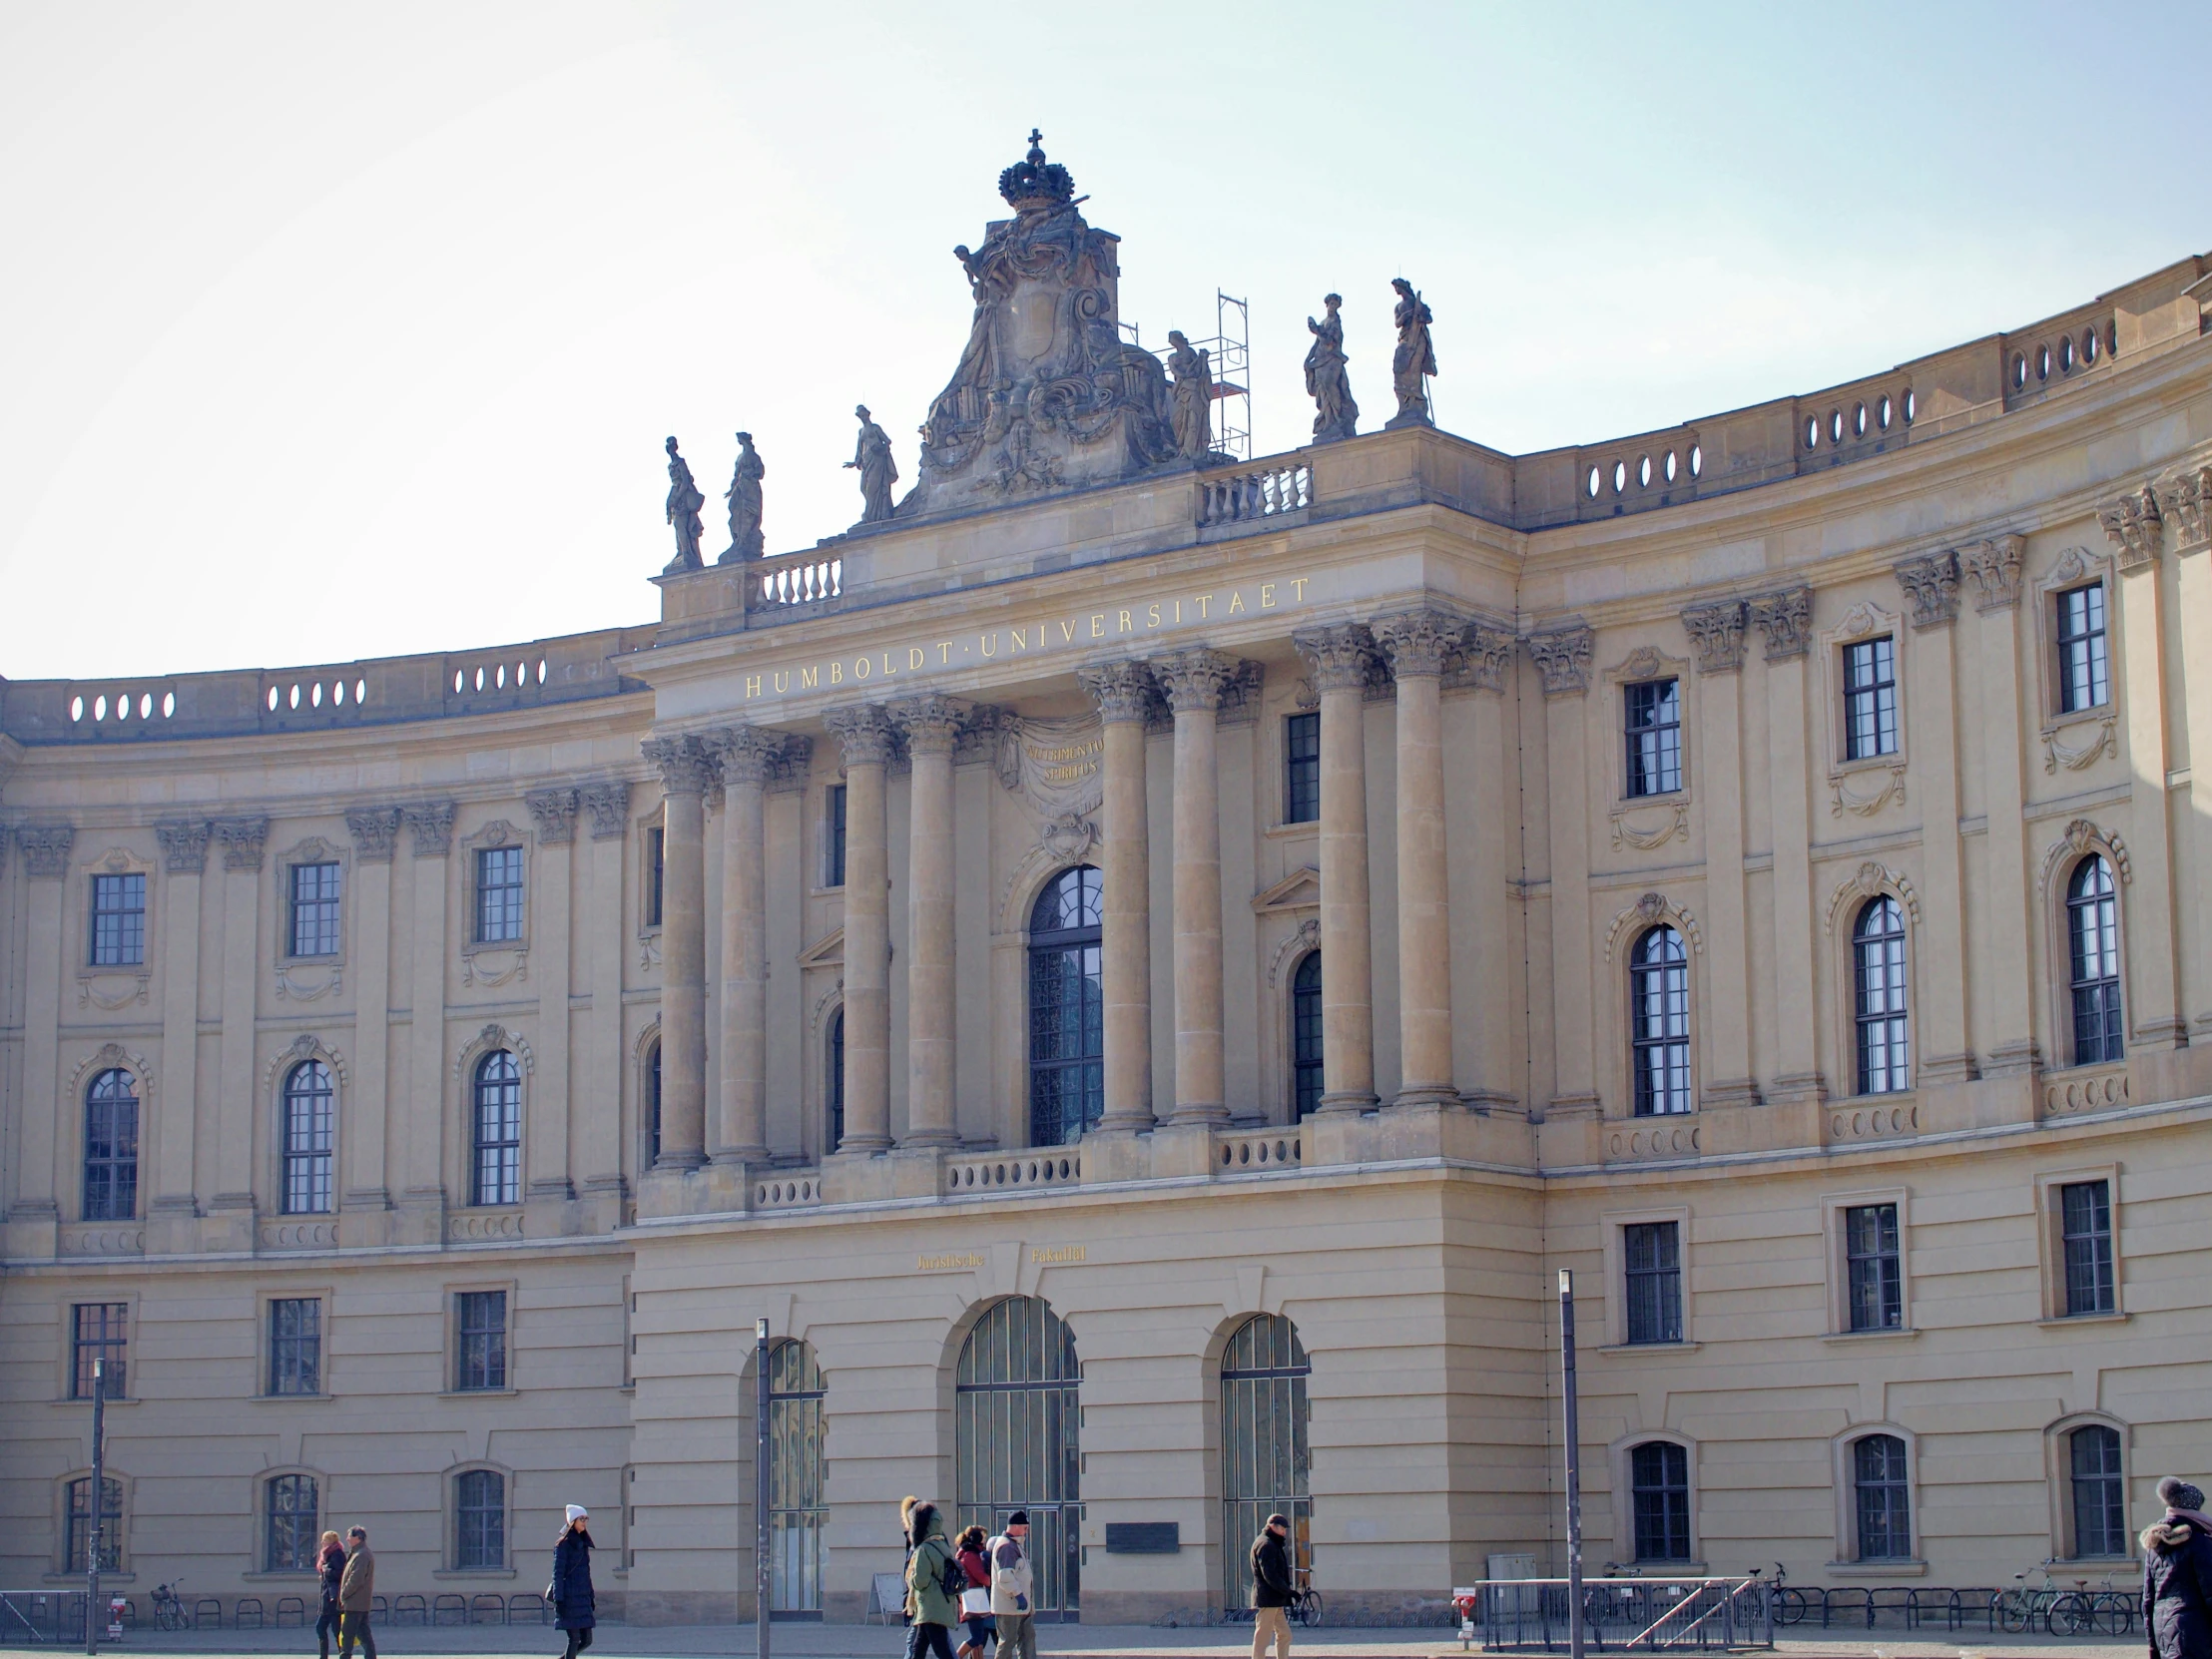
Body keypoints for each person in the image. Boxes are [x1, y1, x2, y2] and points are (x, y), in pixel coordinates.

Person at [2143, 1476, 2212, 1659]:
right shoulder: (2200, 1542)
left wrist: (2152, 1647)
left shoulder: (2154, 1546)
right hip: (2194, 1630)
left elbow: (2148, 1601)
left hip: (2163, 1628)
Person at [902, 1502, 959, 1659]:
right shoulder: (943, 1545)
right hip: (941, 1603)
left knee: (941, 1649)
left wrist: (911, 1580)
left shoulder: (924, 1549)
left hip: (929, 1606)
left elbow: (920, 1581)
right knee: (919, 1646)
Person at [986, 1512, 1036, 1659]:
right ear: (1015, 1526)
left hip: (1022, 1606)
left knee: (1027, 1639)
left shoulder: (1015, 1545)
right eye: (1025, 1528)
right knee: (1008, 1641)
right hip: (1009, 1606)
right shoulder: (1006, 1547)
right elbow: (1005, 1576)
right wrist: (1018, 1595)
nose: (1026, 1532)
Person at [551, 1504, 596, 1659]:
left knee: (587, 1640)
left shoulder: (583, 1544)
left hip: (582, 1598)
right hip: (569, 1598)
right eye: (581, 1518)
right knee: (574, 1639)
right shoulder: (563, 1545)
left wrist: (591, 1596)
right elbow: (557, 1574)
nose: (584, 1522)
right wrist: (559, 1600)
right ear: (572, 1521)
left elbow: (586, 1573)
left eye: (586, 1518)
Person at [1250, 1513, 1295, 1659]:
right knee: (1262, 1636)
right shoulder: (1266, 1544)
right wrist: (1288, 1591)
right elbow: (1270, 1575)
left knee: (1285, 1634)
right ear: (1273, 1527)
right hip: (1268, 1599)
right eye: (1282, 1528)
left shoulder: (1271, 1542)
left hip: (1275, 1600)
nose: (1284, 1532)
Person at [954, 1524, 994, 1659]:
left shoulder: (966, 1552)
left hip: (970, 1597)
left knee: (978, 1636)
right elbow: (981, 1576)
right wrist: (992, 1582)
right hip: (973, 1598)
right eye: (983, 1537)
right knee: (976, 1637)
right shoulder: (970, 1554)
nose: (984, 1541)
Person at [336, 1526, 375, 1659]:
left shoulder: (362, 1554)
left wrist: (344, 1594)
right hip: (358, 1602)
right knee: (363, 1633)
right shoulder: (358, 1553)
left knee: (348, 1634)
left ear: (358, 1538)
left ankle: (345, 1656)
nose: (347, 1539)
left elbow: (356, 1579)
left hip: (355, 1602)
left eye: (350, 1536)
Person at [313, 1530, 344, 1659]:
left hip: (333, 1600)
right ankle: (324, 1656)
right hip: (326, 1599)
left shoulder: (337, 1555)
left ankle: (344, 1655)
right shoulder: (327, 1555)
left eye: (324, 1540)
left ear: (331, 1542)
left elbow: (340, 1574)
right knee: (320, 1628)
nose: (322, 1543)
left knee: (336, 1631)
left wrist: (326, 1571)